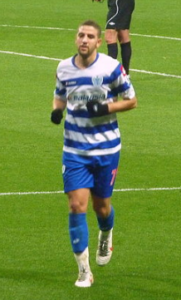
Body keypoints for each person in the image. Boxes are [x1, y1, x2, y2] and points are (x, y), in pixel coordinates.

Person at [51, 19, 137, 288]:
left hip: (106, 148)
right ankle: (84, 271)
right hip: (75, 149)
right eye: (80, 35)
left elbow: (131, 100)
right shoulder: (64, 68)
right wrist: (57, 110)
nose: (84, 40)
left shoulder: (111, 68)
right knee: (77, 205)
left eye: (90, 36)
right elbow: (60, 95)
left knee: (101, 207)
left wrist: (105, 109)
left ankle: (106, 232)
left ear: (99, 42)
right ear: (76, 39)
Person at [94, 0, 135, 75]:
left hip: (119, 3)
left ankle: (111, 74)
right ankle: (125, 74)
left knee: (110, 37)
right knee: (123, 35)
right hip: (122, 3)